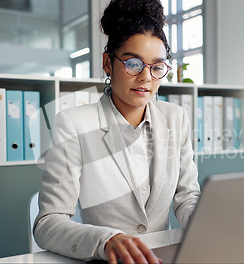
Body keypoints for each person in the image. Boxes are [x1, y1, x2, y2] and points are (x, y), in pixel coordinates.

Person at [33, 0, 200, 263]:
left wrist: (205, 221)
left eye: (156, 66)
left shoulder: (175, 118)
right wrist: (105, 240)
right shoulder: (74, 123)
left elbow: (186, 196)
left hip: (163, 256)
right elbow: (48, 223)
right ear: (108, 64)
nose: (146, 77)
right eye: (133, 63)